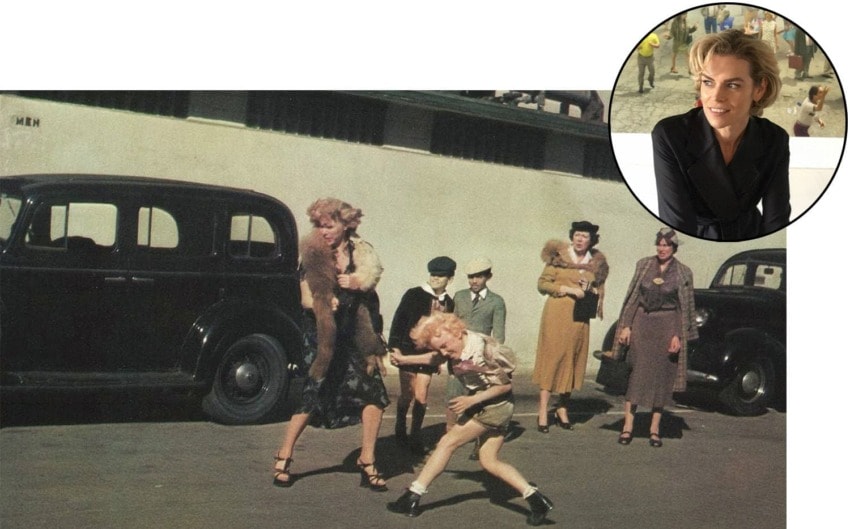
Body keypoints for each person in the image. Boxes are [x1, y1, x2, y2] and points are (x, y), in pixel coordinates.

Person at [387, 312, 554, 526]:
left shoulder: (482, 350)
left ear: (455, 331)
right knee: (489, 461)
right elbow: (435, 358)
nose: (445, 352)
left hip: (492, 405)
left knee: (447, 443)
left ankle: (412, 496)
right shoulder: (453, 345)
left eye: (446, 345)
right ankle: (536, 500)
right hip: (493, 405)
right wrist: (404, 359)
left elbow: (505, 385)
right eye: (440, 348)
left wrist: (470, 401)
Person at [272, 198, 390, 491]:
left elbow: (370, 282)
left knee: (373, 392)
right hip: (323, 333)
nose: (324, 231)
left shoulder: (360, 251)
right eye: (320, 226)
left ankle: (368, 459)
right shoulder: (312, 253)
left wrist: (357, 282)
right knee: (313, 391)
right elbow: (304, 297)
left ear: (345, 224)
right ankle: (284, 455)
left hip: (356, 332)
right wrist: (324, 303)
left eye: (330, 225)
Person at [652, 29, 790, 240]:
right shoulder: (670, 136)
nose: (716, 97)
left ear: (759, 89)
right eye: (708, 82)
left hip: (750, 240)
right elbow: (677, 223)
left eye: (732, 85)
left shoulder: (774, 139)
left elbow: (776, 221)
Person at [611, 228, 698, 448]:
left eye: (666, 245)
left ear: (674, 248)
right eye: (659, 244)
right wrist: (626, 326)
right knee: (637, 374)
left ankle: (654, 430)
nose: (662, 248)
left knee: (661, 377)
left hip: (667, 326)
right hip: (642, 324)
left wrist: (678, 335)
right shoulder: (643, 265)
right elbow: (632, 298)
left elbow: (684, 307)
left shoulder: (683, 272)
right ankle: (627, 427)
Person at [532, 221, 609, 433]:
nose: (580, 239)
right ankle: (543, 410)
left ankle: (563, 408)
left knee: (572, 359)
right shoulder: (558, 257)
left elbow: (598, 292)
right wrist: (565, 288)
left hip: (579, 318)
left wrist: (589, 288)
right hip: (556, 315)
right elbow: (542, 284)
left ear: (591, 240)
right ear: (572, 236)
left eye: (584, 236)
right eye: (577, 235)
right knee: (553, 358)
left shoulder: (596, 263)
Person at [388, 256, 456, 456]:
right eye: (433, 274)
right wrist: (394, 347)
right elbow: (398, 320)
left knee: (421, 395)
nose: (435, 279)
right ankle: (400, 426)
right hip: (408, 352)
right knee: (407, 394)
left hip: (429, 355)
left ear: (449, 279)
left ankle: (415, 435)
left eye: (440, 276)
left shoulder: (449, 303)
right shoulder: (413, 295)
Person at [450, 257, 507, 458]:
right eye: (471, 277)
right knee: (454, 397)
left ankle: (479, 442)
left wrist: (491, 360)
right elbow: (451, 324)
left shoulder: (496, 302)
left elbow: (498, 335)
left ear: (488, 277)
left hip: (480, 358)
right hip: (458, 356)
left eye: (479, 276)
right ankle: (449, 439)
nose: (474, 281)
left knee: (479, 402)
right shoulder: (459, 296)